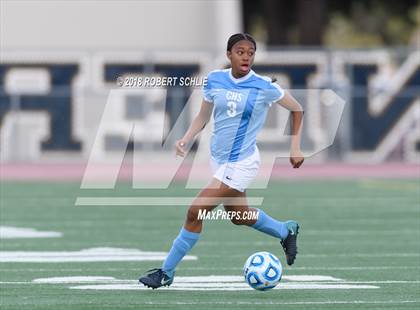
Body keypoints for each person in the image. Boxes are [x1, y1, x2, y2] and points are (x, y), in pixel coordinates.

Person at [139, 33, 304, 289]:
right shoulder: (215, 79)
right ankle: (285, 230)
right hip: (218, 160)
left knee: (195, 211)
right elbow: (203, 116)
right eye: (240, 51)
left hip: (242, 163)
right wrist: (186, 137)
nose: (246, 56)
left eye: (250, 52)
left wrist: (295, 147)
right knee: (239, 216)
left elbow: (297, 108)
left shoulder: (263, 85)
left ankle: (166, 272)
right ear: (229, 54)